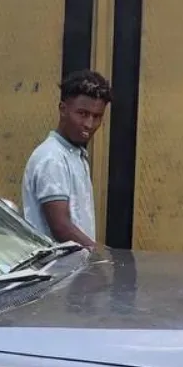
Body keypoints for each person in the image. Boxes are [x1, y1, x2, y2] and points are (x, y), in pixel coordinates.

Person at [21, 70, 111, 249]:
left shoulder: (74, 154)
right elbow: (61, 227)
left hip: (74, 269)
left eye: (97, 116)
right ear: (63, 109)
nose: (89, 124)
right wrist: (102, 255)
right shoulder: (52, 158)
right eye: (83, 114)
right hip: (56, 272)